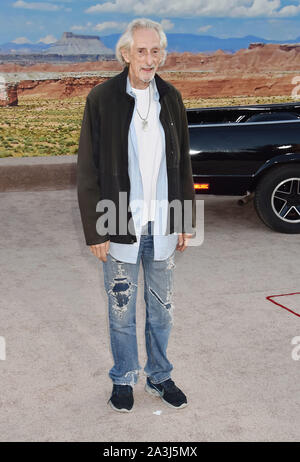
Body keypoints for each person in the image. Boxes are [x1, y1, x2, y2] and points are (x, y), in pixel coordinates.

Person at [77, 18, 196, 413]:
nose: (149, 59)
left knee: (162, 310)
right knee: (121, 310)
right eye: (141, 51)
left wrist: (183, 220)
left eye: (155, 51)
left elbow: (182, 167)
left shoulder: (172, 98)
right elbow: (88, 169)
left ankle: (160, 376)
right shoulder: (102, 99)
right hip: (118, 220)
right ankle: (124, 378)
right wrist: (96, 230)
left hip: (162, 221)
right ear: (126, 54)